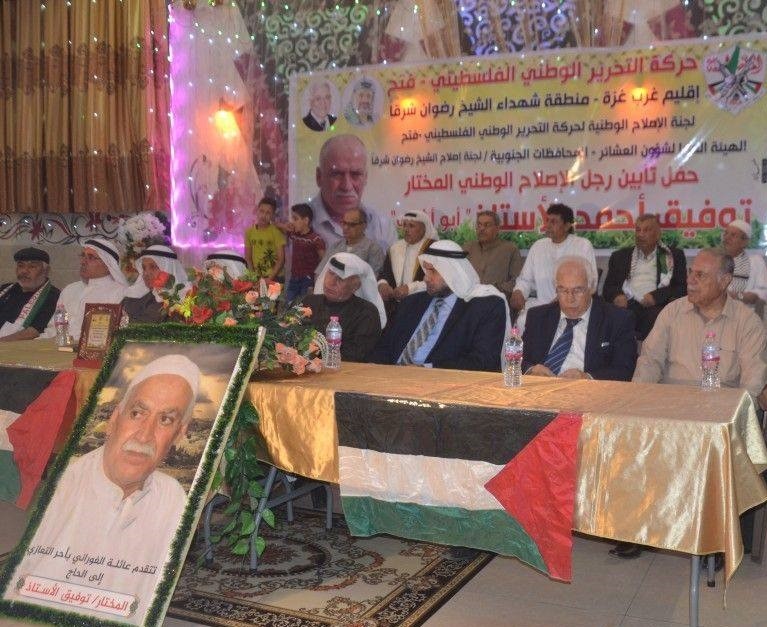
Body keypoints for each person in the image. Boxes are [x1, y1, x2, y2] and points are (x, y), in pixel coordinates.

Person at [8, 354, 200, 623]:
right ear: (114, 419)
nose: (144, 435)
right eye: (137, 413)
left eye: (166, 420)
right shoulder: (69, 482)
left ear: (179, 434)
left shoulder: (172, 497)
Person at [633, 247, 767, 397]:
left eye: (700, 275)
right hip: (672, 403)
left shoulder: (747, 322)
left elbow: (753, 383)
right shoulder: (672, 312)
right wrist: (637, 400)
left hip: (721, 407)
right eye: (690, 272)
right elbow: (649, 362)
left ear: (724, 281)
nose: (690, 281)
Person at [370, 240, 508, 372]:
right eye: (426, 270)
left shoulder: (485, 307)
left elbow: (482, 361)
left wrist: (428, 370)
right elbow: (383, 347)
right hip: (390, 377)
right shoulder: (411, 302)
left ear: (453, 273)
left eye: (433, 271)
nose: (426, 278)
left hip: (441, 381)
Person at [522, 256, 636, 381]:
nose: (570, 298)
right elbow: (517, 358)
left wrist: (588, 377)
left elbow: (625, 369)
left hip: (588, 390)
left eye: (577, 290)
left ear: (591, 288)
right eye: (563, 290)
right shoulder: (537, 317)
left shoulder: (618, 320)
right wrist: (531, 369)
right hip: (540, 388)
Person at [510, 203, 597, 329]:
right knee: (522, 321)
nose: (548, 225)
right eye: (547, 221)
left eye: (554, 222)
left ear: (567, 226)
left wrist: (561, 300)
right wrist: (519, 291)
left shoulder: (583, 245)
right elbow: (525, 279)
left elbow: (591, 282)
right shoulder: (538, 246)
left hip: (573, 305)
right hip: (541, 304)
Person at [602, 214, 687, 340]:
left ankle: (648, 352)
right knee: (616, 318)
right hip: (627, 304)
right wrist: (616, 296)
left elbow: (681, 288)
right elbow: (608, 287)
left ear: (658, 234)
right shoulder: (620, 256)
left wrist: (656, 297)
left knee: (656, 317)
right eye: (638, 230)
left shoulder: (671, 256)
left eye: (646, 230)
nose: (641, 234)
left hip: (656, 305)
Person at [309, 134, 396, 253]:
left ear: (365, 177)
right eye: (337, 174)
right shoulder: (298, 226)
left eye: (355, 174)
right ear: (319, 177)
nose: (347, 186)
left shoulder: (383, 228)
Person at [304, 253, 384, 362]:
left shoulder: (367, 313)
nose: (331, 282)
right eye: (331, 273)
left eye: (340, 279)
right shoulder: (308, 302)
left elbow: (354, 355)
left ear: (355, 286)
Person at [57, 238, 128, 342]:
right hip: (57, 345)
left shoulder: (120, 293)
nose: (83, 262)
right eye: (83, 256)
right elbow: (54, 327)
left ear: (108, 264)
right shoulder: (69, 289)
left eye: (91, 257)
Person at [378, 210, 437, 319]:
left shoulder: (432, 248)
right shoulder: (395, 247)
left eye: (411, 226)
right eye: (404, 225)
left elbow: (438, 280)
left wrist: (410, 288)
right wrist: (383, 284)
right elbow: (384, 273)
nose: (406, 229)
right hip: (394, 307)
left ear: (423, 229)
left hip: (421, 304)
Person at [0, 247, 60, 341]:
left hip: (15, 346)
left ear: (46, 271)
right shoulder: (5, 289)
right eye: (21, 266)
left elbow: (33, 332)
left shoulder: (53, 296)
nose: (24, 271)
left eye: (32, 266)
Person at [463, 210, 523, 304]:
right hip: (468, 300)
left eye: (487, 225)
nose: (482, 229)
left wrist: (493, 290)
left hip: (497, 302)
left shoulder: (510, 249)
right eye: (479, 225)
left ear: (497, 228)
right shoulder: (467, 248)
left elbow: (517, 280)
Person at [121, 245, 189, 323]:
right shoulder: (132, 298)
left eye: (153, 267)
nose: (146, 273)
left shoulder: (184, 300)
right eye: (144, 268)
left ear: (168, 268)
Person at [316, 208, 385, 276]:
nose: (346, 228)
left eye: (352, 224)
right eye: (344, 223)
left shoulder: (373, 249)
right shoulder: (335, 247)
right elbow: (320, 273)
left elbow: (373, 277)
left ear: (364, 226)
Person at [280, 203, 326, 302]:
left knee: (304, 306)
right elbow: (278, 226)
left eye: (295, 219)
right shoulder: (294, 234)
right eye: (292, 219)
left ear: (306, 220)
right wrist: (285, 226)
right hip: (294, 278)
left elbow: (324, 260)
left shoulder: (316, 239)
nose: (293, 222)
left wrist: (317, 280)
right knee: (287, 304)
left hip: (308, 280)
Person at [721, 219, 767, 309]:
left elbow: (763, 292)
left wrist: (738, 296)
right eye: (726, 234)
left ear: (744, 242)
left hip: (746, 314)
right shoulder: (716, 261)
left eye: (733, 235)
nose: (727, 238)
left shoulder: (755, 261)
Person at [244, 197, 286, 281]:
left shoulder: (277, 232)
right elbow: (248, 258)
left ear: (273, 215)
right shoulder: (249, 232)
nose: (263, 215)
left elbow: (281, 259)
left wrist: (269, 279)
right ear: (257, 211)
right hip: (257, 277)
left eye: (268, 213)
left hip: (276, 277)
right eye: (261, 211)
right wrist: (253, 276)